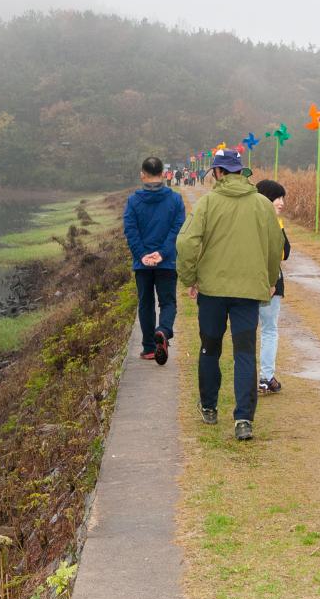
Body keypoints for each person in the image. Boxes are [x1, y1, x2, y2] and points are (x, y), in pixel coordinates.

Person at [176, 149, 283, 441]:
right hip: (248, 292)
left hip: (212, 290)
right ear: (240, 172)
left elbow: (186, 242)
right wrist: (270, 279)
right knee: (244, 352)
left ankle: (209, 407)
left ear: (219, 172)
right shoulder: (262, 205)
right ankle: (244, 419)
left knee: (210, 347)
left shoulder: (208, 203)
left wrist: (189, 278)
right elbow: (276, 246)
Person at [123, 156, 186, 365]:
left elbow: (130, 231)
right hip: (167, 262)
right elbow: (178, 230)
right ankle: (163, 331)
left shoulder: (133, 201)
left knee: (146, 303)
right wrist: (163, 253)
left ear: (143, 174)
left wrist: (142, 254)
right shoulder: (175, 200)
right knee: (167, 302)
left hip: (142, 264)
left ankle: (149, 348)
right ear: (163, 173)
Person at [255, 179, 291, 395]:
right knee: (269, 330)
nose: (281, 203)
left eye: (282, 198)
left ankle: (258, 378)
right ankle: (266, 378)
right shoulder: (273, 223)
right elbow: (284, 252)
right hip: (270, 282)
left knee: (250, 330)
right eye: (277, 198)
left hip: (245, 281)